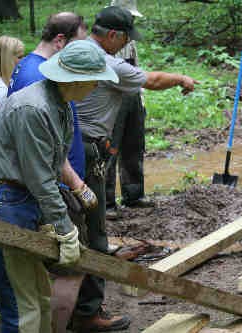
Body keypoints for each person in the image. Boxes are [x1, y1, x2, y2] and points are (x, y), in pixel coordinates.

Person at [0, 40, 117, 333]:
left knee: (39, 297)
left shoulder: (60, 106)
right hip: (4, 200)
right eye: (94, 80)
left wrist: (72, 194)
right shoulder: (34, 108)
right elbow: (39, 177)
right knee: (21, 305)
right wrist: (65, 229)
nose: (96, 86)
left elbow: (55, 162)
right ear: (77, 79)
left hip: (21, 197)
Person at [73, 6, 198, 331]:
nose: (126, 44)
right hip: (86, 152)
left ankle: (67, 303)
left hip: (68, 145)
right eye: (125, 37)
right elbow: (153, 80)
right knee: (94, 230)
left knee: (72, 224)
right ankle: (88, 313)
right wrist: (183, 78)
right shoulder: (107, 63)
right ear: (113, 35)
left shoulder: (76, 48)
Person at [105, 0, 152, 220]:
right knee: (110, 150)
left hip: (133, 94)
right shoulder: (107, 37)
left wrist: (141, 96)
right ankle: (106, 203)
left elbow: (135, 66)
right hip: (114, 95)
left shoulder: (128, 37)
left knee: (134, 146)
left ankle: (134, 194)